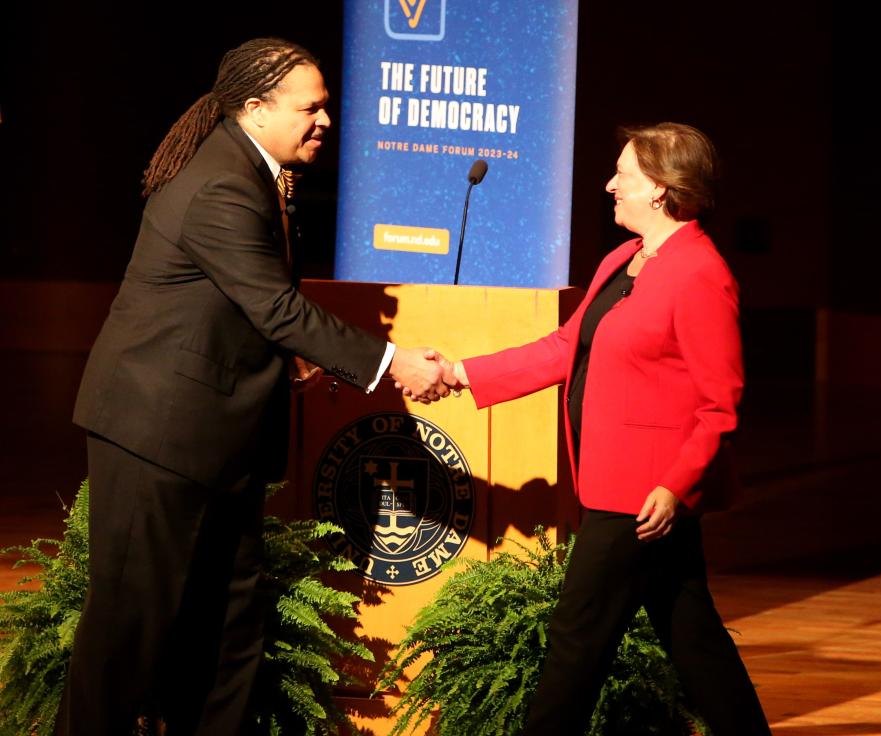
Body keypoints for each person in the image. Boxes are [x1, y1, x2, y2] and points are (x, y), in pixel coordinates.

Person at [56, 38, 446, 736]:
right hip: (159, 435)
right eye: (311, 108)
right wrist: (395, 362)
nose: (325, 121)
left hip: (214, 436)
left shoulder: (257, 171)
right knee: (130, 629)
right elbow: (276, 306)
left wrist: (289, 357)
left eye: (326, 107)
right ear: (255, 107)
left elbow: (240, 306)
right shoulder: (221, 184)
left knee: (230, 630)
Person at [430, 123, 771, 735]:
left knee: (576, 637)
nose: (610, 184)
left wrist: (674, 485)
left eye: (625, 176)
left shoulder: (700, 273)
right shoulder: (626, 257)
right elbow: (566, 348)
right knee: (692, 636)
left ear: (662, 191)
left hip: (641, 496)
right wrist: (460, 372)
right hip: (614, 480)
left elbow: (722, 402)